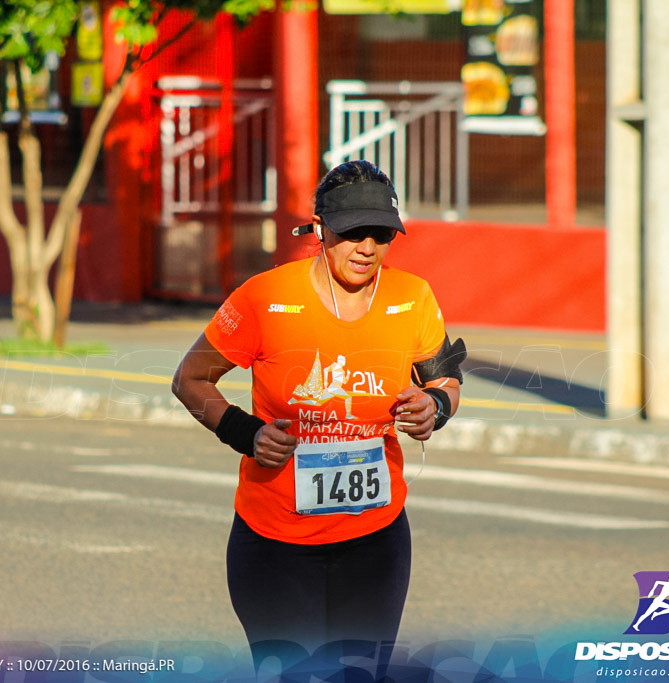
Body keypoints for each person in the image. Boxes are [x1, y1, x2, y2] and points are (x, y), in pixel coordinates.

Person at [172, 160, 466, 678]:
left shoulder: (412, 297)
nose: (367, 248)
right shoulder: (266, 297)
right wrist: (246, 433)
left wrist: (434, 408)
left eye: (381, 234)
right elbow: (190, 379)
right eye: (352, 233)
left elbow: (445, 379)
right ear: (319, 227)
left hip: (376, 541)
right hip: (275, 544)